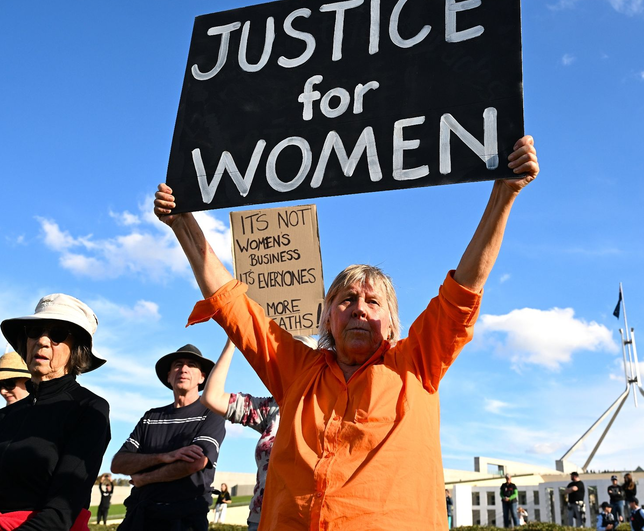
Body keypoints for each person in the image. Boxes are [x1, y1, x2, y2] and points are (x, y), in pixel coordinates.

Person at [154, 135, 539, 530]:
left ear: (391, 324)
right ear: (327, 319)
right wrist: (182, 222)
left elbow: (464, 290)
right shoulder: (295, 368)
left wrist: (504, 194)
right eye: (347, 299)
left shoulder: (417, 362)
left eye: (373, 303)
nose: (359, 308)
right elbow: (230, 300)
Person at [0, 293, 111, 530]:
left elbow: (61, 511)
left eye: (57, 335)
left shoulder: (89, 408)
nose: (42, 341)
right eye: (35, 331)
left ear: (77, 349)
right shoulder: (6, 415)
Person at [200, 336, 315, 531]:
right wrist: (232, 342)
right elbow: (212, 397)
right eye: (287, 357)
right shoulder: (270, 409)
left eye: (301, 356)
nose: (292, 363)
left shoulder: (333, 407)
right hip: (261, 519)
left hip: (306, 521)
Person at [111, 344, 226, 531]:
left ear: (202, 377)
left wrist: (145, 478)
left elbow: (195, 463)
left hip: (185, 520)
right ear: (169, 376)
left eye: (192, 365)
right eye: (178, 364)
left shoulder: (211, 414)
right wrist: (165, 456)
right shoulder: (151, 417)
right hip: (139, 517)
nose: (184, 369)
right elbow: (118, 463)